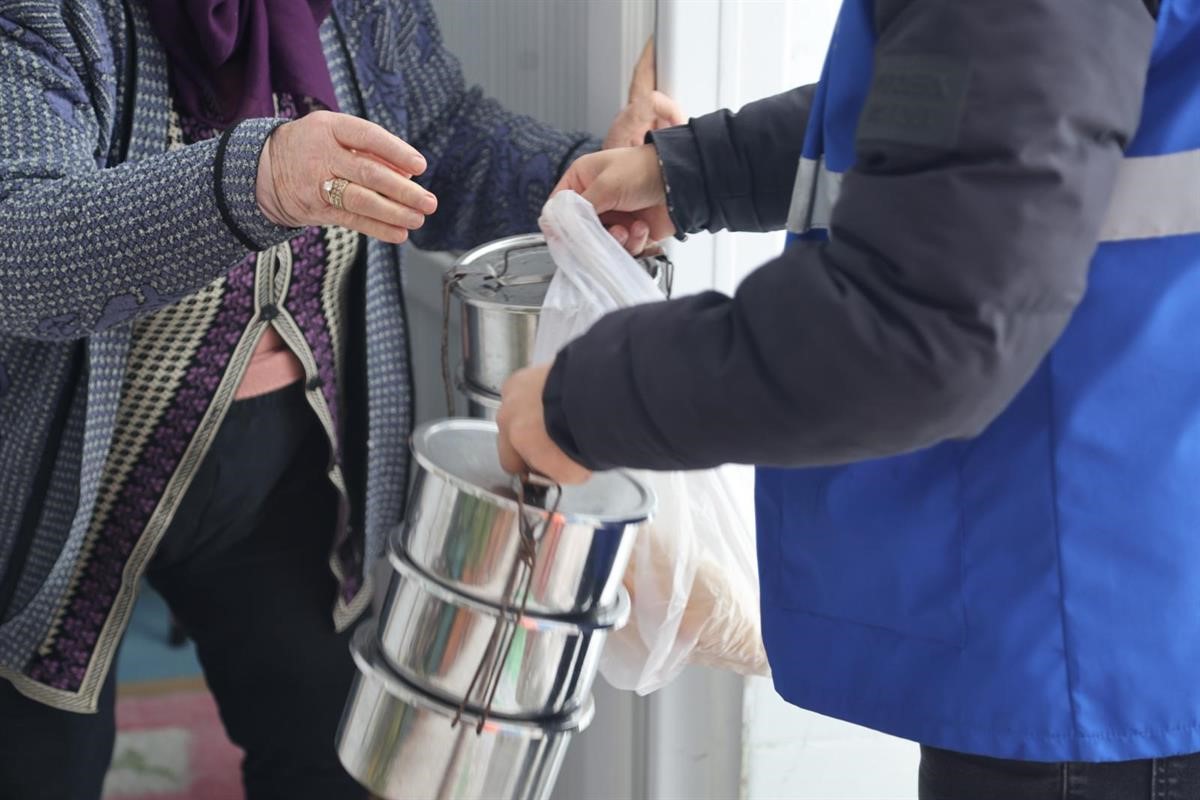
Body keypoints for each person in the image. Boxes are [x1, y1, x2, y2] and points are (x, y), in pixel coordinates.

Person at [497, 0, 1200, 797]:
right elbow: (976, 109)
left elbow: (922, 320)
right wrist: (695, 171)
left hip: (1089, 658)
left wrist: (584, 403)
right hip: (1119, 610)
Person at [0, 0, 682, 797]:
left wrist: (589, 181)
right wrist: (259, 181)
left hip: (290, 467)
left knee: (328, 758)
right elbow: (20, 241)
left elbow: (441, 139)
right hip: (55, 479)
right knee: (39, 764)